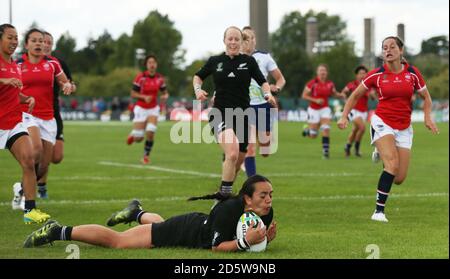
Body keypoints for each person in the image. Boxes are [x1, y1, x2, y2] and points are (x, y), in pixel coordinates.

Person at [23, 175, 277, 252]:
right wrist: (246, 242)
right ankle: (58, 230)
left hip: (193, 227)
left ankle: (137, 212)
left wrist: (266, 238)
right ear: (247, 197)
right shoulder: (229, 208)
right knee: (118, 241)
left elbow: (245, 235)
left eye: (270, 195)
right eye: (263, 195)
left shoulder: (265, 212)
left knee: (157, 226)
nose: (268, 200)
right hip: (185, 230)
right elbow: (218, 248)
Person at [337, 36, 439, 222]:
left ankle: (381, 151)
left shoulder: (413, 73)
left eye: (392, 47)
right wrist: (344, 116)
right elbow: (354, 96)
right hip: (382, 122)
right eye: (384, 48)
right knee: (392, 165)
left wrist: (427, 117)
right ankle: (378, 212)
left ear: (401, 51)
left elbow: (427, 98)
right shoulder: (376, 74)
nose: (388, 50)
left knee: (399, 177)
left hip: (404, 127)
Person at [193, 26, 276, 199]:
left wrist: (267, 94)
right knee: (231, 153)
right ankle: (223, 198)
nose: (233, 42)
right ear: (224, 40)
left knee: (237, 162)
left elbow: (263, 82)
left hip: (243, 116)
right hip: (220, 113)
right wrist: (198, 90)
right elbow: (198, 76)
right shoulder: (215, 61)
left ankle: (223, 194)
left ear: (241, 42)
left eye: (236, 39)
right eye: (230, 38)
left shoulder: (249, 62)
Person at [12, 28, 74, 206]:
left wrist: (67, 86)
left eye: (41, 40)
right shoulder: (18, 65)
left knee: (44, 166)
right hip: (27, 115)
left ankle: (21, 189)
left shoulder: (53, 64)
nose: (39, 43)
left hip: (49, 117)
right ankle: (29, 203)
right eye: (34, 40)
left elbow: (64, 81)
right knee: (35, 150)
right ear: (27, 45)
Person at [0, 23, 51, 223]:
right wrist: (4, 81)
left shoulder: (14, 64)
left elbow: (11, 92)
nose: (14, 41)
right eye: (9, 37)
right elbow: (5, 84)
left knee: (29, 160)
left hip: (12, 122)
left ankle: (30, 211)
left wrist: (26, 98)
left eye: (16, 38)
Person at [240, 26, 286, 177]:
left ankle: (265, 140)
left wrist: (276, 89)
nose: (249, 41)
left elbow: (280, 79)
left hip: (263, 105)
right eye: (245, 38)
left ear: (255, 40)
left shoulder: (264, 57)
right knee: (250, 147)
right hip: (245, 106)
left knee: (265, 150)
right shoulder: (234, 58)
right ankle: (252, 184)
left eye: (251, 38)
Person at [35, 31, 76, 198]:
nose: (45, 45)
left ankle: (34, 180)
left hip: (53, 114)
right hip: (31, 115)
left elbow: (70, 83)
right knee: (37, 151)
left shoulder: (57, 63)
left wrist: (69, 87)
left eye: (48, 42)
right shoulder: (27, 63)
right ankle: (38, 186)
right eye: (42, 41)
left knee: (56, 156)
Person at [126, 54, 169, 164]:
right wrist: (144, 97)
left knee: (150, 131)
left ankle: (145, 156)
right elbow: (132, 93)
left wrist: (165, 96)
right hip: (141, 108)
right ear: (146, 65)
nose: (152, 65)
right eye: (149, 63)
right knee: (139, 138)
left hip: (153, 108)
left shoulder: (160, 79)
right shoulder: (140, 77)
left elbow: (165, 92)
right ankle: (133, 135)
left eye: (153, 62)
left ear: (156, 65)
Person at [301, 64, 346, 159]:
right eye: (321, 70)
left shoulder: (330, 84)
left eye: (324, 70)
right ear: (317, 72)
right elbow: (304, 95)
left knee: (326, 128)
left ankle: (326, 152)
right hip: (313, 109)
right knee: (313, 135)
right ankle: (307, 130)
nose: (322, 72)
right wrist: (315, 100)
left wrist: (340, 95)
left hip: (325, 109)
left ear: (327, 73)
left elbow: (334, 93)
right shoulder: (312, 83)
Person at [341, 65, 376, 157]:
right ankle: (356, 148)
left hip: (363, 112)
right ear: (356, 75)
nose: (362, 75)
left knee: (355, 130)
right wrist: (345, 101)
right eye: (360, 73)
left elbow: (373, 98)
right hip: (354, 110)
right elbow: (343, 93)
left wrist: (372, 95)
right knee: (362, 128)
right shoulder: (352, 84)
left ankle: (348, 146)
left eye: (364, 73)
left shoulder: (368, 85)